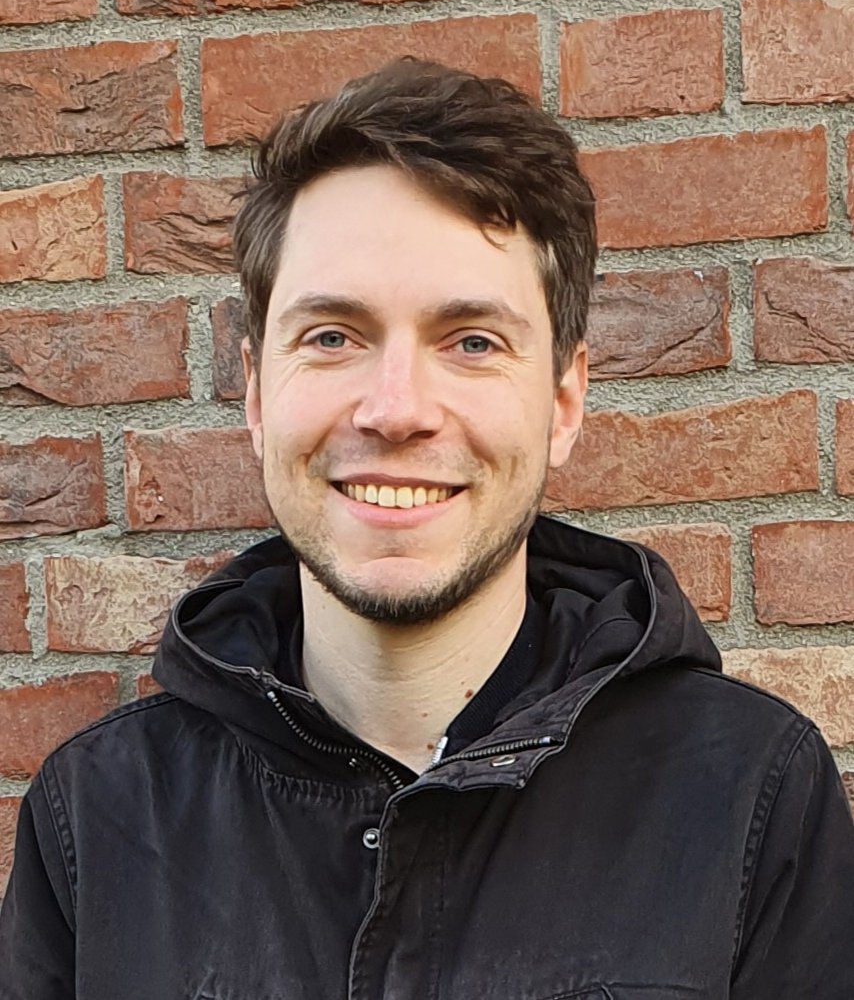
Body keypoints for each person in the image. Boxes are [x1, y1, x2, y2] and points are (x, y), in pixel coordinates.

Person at [1, 57, 852, 1000]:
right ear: (252, 391)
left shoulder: (749, 796)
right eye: (332, 335)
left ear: (565, 400)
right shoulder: (101, 817)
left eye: (472, 342)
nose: (396, 409)